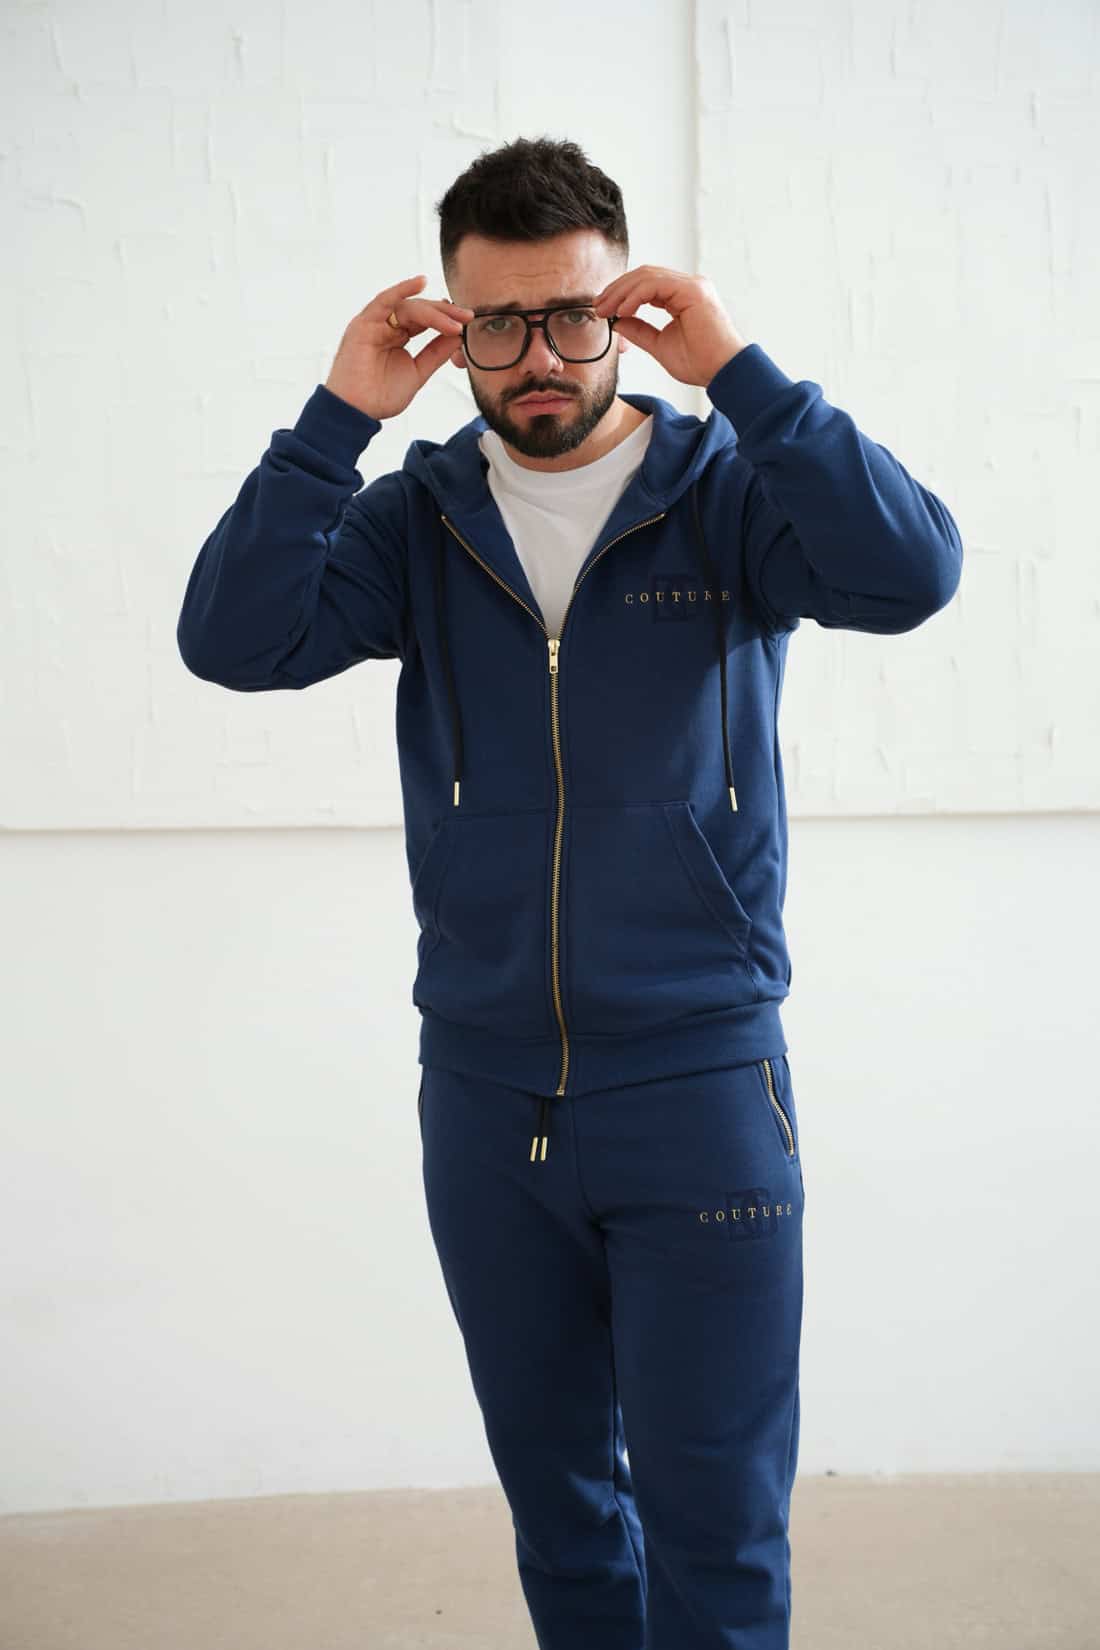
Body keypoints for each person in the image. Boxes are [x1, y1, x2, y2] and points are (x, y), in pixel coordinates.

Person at [177, 135, 963, 1649]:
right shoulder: (417, 520)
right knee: (565, 1519)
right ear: (453, 328)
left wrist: (745, 378)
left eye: (571, 316)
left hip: (701, 1085)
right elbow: (234, 639)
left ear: (628, 311)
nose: (539, 355)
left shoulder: (729, 494)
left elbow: (911, 573)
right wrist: (337, 419)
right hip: (486, 1099)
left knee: (716, 1529)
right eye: (500, 323)